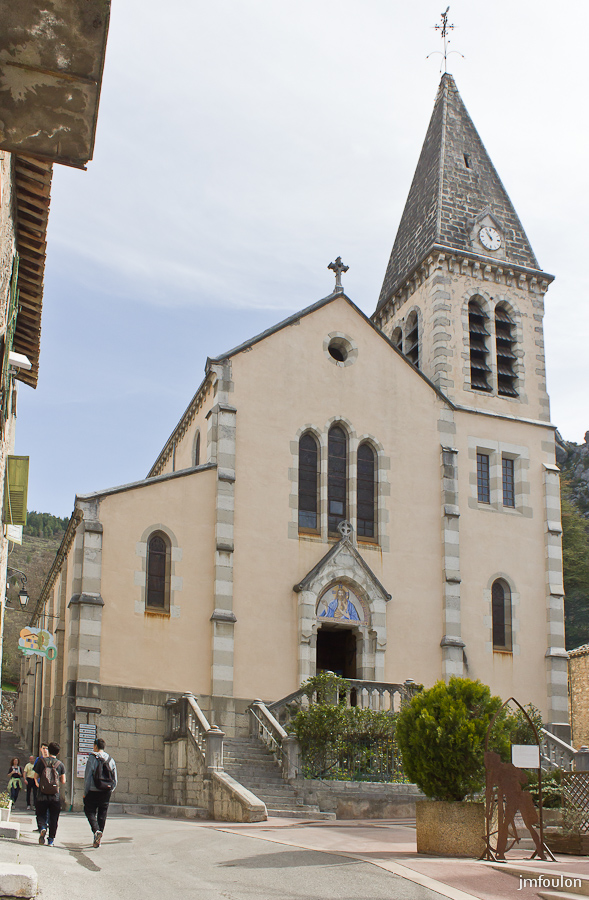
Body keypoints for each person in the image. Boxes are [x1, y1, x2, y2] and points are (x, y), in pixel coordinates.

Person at [84, 738, 117, 848]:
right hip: (106, 791)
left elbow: (88, 777)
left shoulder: (92, 758)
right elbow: (115, 779)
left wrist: (85, 792)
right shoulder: (110, 759)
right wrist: (110, 790)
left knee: (89, 811)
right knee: (102, 814)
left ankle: (96, 830)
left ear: (96, 746)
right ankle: (98, 837)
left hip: (93, 790)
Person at [34, 741, 65, 847]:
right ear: (58, 752)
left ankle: (42, 828)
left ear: (48, 750)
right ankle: (51, 840)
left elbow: (35, 776)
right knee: (54, 818)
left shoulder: (41, 762)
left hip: (42, 794)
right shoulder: (60, 764)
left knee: (40, 814)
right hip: (55, 796)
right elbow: (63, 781)